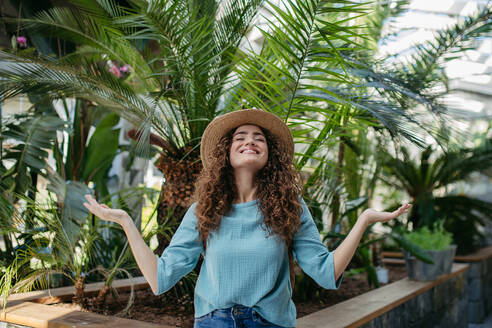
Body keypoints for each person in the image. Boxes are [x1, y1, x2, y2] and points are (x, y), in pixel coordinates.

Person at [83, 109, 411, 328]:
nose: (249, 141)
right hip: (214, 323)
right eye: (240, 137)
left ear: (271, 155)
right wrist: (127, 221)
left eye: (259, 138)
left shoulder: (290, 206)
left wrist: (364, 218)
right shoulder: (204, 209)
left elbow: (326, 273)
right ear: (227, 152)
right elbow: (160, 279)